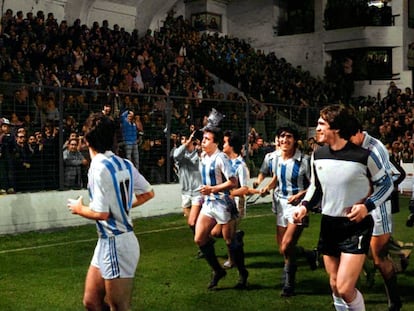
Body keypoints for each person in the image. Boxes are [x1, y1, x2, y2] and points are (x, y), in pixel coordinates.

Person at [293, 104, 393, 311]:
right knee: (334, 284)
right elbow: (316, 187)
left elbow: (387, 185)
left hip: (355, 227)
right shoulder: (318, 155)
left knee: (345, 287)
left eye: (321, 124)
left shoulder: (364, 156)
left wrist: (367, 206)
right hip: (329, 224)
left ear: (336, 128)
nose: (317, 128)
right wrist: (304, 206)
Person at [67, 113, 155, 311]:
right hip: (108, 241)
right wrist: (121, 205)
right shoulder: (124, 163)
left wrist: (79, 209)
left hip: (117, 242)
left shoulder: (97, 168)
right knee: (91, 301)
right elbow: (148, 193)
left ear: (88, 140)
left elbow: (101, 213)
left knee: (118, 306)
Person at [350, 123, 403, 311]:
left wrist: (371, 191)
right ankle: (348, 297)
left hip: (377, 207)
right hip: (355, 206)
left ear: (357, 132)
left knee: (379, 257)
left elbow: (395, 176)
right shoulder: (347, 147)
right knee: (351, 253)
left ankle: (394, 300)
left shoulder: (375, 148)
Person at [259, 126, 317, 297]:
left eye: (289, 137)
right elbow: (275, 179)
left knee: (287, 245)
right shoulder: (273, 158)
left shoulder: (305, 160)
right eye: (281, 137)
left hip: (298, 206)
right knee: (283, 249)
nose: (284, 140)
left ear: (295, 140)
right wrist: (265, 188)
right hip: (279, 205)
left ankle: (289, 284)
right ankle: (309, 254)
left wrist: (300, 195)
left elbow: (315, 185)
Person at [194, 109, 248, 290]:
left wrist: (212, 189)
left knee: (229, 242)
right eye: (203, 139)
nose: (203, 142)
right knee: (200, 238)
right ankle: (218, 270)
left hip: (223, 204)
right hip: (209, 204)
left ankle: (242, 272)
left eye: (207, 139)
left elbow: (232, 182)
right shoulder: (203, 156)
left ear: (215, 143)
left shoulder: (221, 158)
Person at [211, 130, 251, 270]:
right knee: (215, 233)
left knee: (227, 236)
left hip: (235, 204)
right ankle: (237, 237)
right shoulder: (223, 160)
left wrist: (231, 194)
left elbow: (245, 188)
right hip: (223, 203)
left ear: (232, 145)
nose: (222, 145)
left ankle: (231, 260)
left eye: (225, 142)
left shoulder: (241, 165)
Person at [172, 131, 203, 257]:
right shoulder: (180, 155)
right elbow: (175, 155)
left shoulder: (199, 154)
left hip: (197, 192)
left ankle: (203, 242)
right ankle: (204, 242)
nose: (185, 141)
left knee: (193, 221)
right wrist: (186, 143)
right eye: (183, 139)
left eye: (187, 139)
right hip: (185, 192)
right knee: (192, 223)